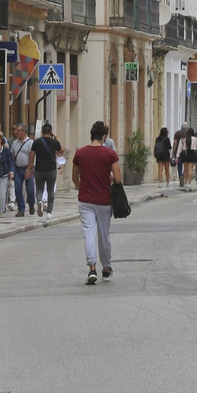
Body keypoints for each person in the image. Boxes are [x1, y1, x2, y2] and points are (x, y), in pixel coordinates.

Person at [72, 121, 122, 285]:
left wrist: (82, 188)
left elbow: (74, 178)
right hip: (103, 200)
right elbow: (118, 179)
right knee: (104, 236)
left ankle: (92, 268)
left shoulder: (80, 153)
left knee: (89, 234)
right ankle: (106, 268)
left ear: (90, 136)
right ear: (104, 137)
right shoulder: (110, 154)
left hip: (85, 200)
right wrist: (108, 180)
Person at [32, 123, 63, 224]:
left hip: (39, 168)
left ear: (42, 131)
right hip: (51, 169)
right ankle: (49, 212)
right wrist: (56, 139)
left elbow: (31, 156)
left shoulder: (36, 142)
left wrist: (29, 168)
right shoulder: (54, 142)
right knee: (50, 190)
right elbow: (61, 151)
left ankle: (40, 201)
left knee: (39, 188)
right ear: (51, 132)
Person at [10, 124, 37, 218]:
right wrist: (11, 169)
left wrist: (29, 169)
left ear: (24, 132)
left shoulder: (30, 143)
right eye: (16, 130)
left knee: (30, 189)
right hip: (17, 168)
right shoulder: (14, 143)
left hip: (27, 168)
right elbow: (12, 156)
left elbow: (32, 157)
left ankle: (31, 204)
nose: (16, 132)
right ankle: (21, 209)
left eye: (18, 130)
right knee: (18, 189)